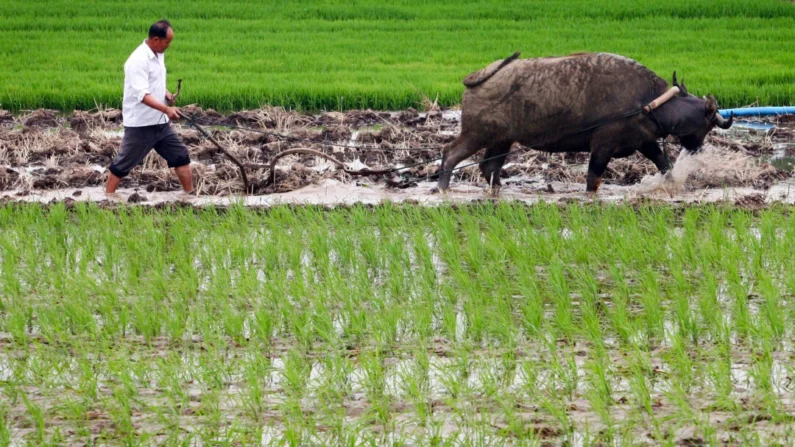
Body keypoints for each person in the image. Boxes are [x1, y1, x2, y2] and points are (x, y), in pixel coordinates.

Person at [106, 19, 194, 199]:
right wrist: (167, 109)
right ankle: (107, 199)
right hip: (141, 124)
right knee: (122, 166)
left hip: (160, 124)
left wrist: (167, 93)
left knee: (181, 157)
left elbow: (154, 82)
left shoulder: (158, 53)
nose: (169, 46)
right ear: (155, 39)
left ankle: (190, 196)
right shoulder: (137, 60)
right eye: (167, 42)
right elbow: (142, 95)